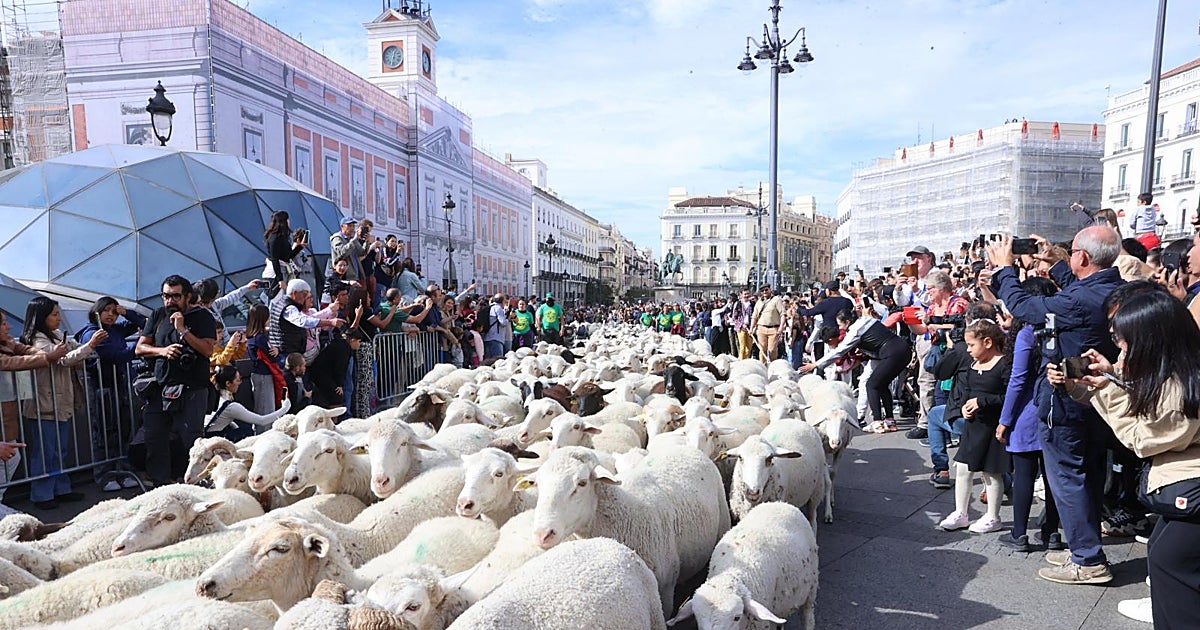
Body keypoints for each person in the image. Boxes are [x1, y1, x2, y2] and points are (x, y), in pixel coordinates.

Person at [1049, 290, 1200, 622]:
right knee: (1165, 560)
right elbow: (1144, 395)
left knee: (1173, 569)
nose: (1120, 351)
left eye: (1126, 343)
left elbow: (1142, 438)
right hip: (1182, 487)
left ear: (1153, 341)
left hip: (1190, 489)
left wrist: (1105, 389)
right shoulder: (1182, 370)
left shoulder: (1184, 389)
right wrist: (1107, 378)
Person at [987, 229, 1124, 585]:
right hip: (1094, 399)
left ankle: (1087, 558)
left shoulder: (1081, 300)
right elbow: (1081, 298)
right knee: (1089, 475)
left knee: (1067, 477)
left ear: (1082, 258)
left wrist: (1005, 270)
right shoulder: (1112, 287)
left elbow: (1025, 307)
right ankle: (1085, 545)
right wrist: (1056, 261)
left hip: (1065, 403)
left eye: (1073, 252)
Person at [995, 277, 1061, 552]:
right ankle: (1053, 532)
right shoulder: (1059, 329)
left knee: (1024, 475)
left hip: (1026, 413)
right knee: (1053, 478)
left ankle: (1019, 533)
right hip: (1055, 411)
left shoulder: (1026, 333)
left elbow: (1017, 380)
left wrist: (1004, 420)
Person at [20, 296, 104, 509]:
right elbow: (63, 358)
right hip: (43, 403)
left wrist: (87, 346)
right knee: (45, 451)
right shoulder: (35, 340)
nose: (59, 319)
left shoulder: (56, 335)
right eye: (54, 315)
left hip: (61, 401)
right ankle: (42, 494)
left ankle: (61, 487)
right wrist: (91, 344)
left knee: (60, 449)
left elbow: (74, 351)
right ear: (42, 317)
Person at [135, 275, 217, 487]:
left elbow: (208, 350)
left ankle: (194, 483)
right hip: (160, 386)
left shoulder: (203, 317)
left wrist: (183, 331)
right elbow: (140, 348)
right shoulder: (158, 315)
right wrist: (162, 351)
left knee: (191, 439)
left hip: (192, 388)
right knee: (154, 436)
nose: (169, 301)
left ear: (188, 296)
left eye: (175, 296)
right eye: (166, 296)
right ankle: (160, 483)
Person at [936, 319, 1012, 534]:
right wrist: (963, 408)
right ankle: (961, 512)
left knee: (991, 472)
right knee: (962, 469)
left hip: (993, 426)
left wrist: (982, 402)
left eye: (971, 345)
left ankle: (993, 516)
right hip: (974, 425)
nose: (968, 350)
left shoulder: (1003, 365)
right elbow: (967, 391)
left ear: (987, 342)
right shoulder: (973, 365)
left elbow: (1009, 397)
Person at [800, 305, 912, 434]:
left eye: (840, 324)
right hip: (903, 349)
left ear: (847, 322)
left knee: (871, 385)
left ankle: (877, 423)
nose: (840, 328)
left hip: (892, 353)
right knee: (882, 384)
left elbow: (839, 351)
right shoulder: (868, 320)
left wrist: (816, 365)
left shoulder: (855, 330)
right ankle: (889, 421)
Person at [75, 296, 146, 492]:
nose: (110, 315)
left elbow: (144, 324)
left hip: (120, 385)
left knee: (124, 429)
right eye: (106, 310)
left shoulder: (114, 329)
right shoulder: (92, 332)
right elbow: (118, 355)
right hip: (102, 388)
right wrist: (140, 343)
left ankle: (122, 471)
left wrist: (127, 313)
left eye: (114, 311)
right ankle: (105, 475)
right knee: (105, 433)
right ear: (96, 310)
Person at [203, 366, 291, 442]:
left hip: (205, 434)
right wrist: (285, 408)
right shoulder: (231, 407)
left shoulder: (214, 397)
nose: (239, 383)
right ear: (228, 383)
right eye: (238, 380)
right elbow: (262, 421)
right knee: (247, 431)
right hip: (213, 438)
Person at [308, 330, 359, 409]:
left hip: (323, 372)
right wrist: (339, 384)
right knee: (337, 396)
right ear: (353, 340)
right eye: (358, 341)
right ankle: (334, 420)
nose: (358, 344)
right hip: (321, 373)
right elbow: (340, 367)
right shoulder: (344, 348)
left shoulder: (341, 344)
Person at [264, 211, 305, 295]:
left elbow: (288, 256)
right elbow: (274, 259)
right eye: (287, 219)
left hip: (283, 271)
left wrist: (300, 246)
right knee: (276, 301)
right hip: (274, 275)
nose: (289, 221)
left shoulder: (283, 237)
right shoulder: (274, 238)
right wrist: (280, 279)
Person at [751, 285, 784, 363]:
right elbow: (754, 316)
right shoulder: (759, 302)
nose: (764, 292)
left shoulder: (776, 300)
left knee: (772, 350)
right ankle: (763, 367)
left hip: (773, 328)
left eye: (766, 290)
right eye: (762, 291)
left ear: (770, 289)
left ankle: (773, 365)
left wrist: (781, 327)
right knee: (762, 350)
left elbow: (783, 314)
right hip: (761, 328)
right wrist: (751, 328)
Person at [326, 216, 365, 281]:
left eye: (353, 226)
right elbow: (342, 253)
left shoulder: (352, 238)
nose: (352, 228)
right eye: (349, 226)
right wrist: (354, 240)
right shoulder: (337, 238)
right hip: (345, 276)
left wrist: (366, 241)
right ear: (342, 226)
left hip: (356, 276)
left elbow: (362, 252)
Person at [483, 294, 508, 360]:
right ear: (502, 301)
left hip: (486, 337)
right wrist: (509, 318)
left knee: (488, 360)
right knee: (497, 360)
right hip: (496, 338)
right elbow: (503, 323)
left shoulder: (488, 307)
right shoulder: (498, 308)